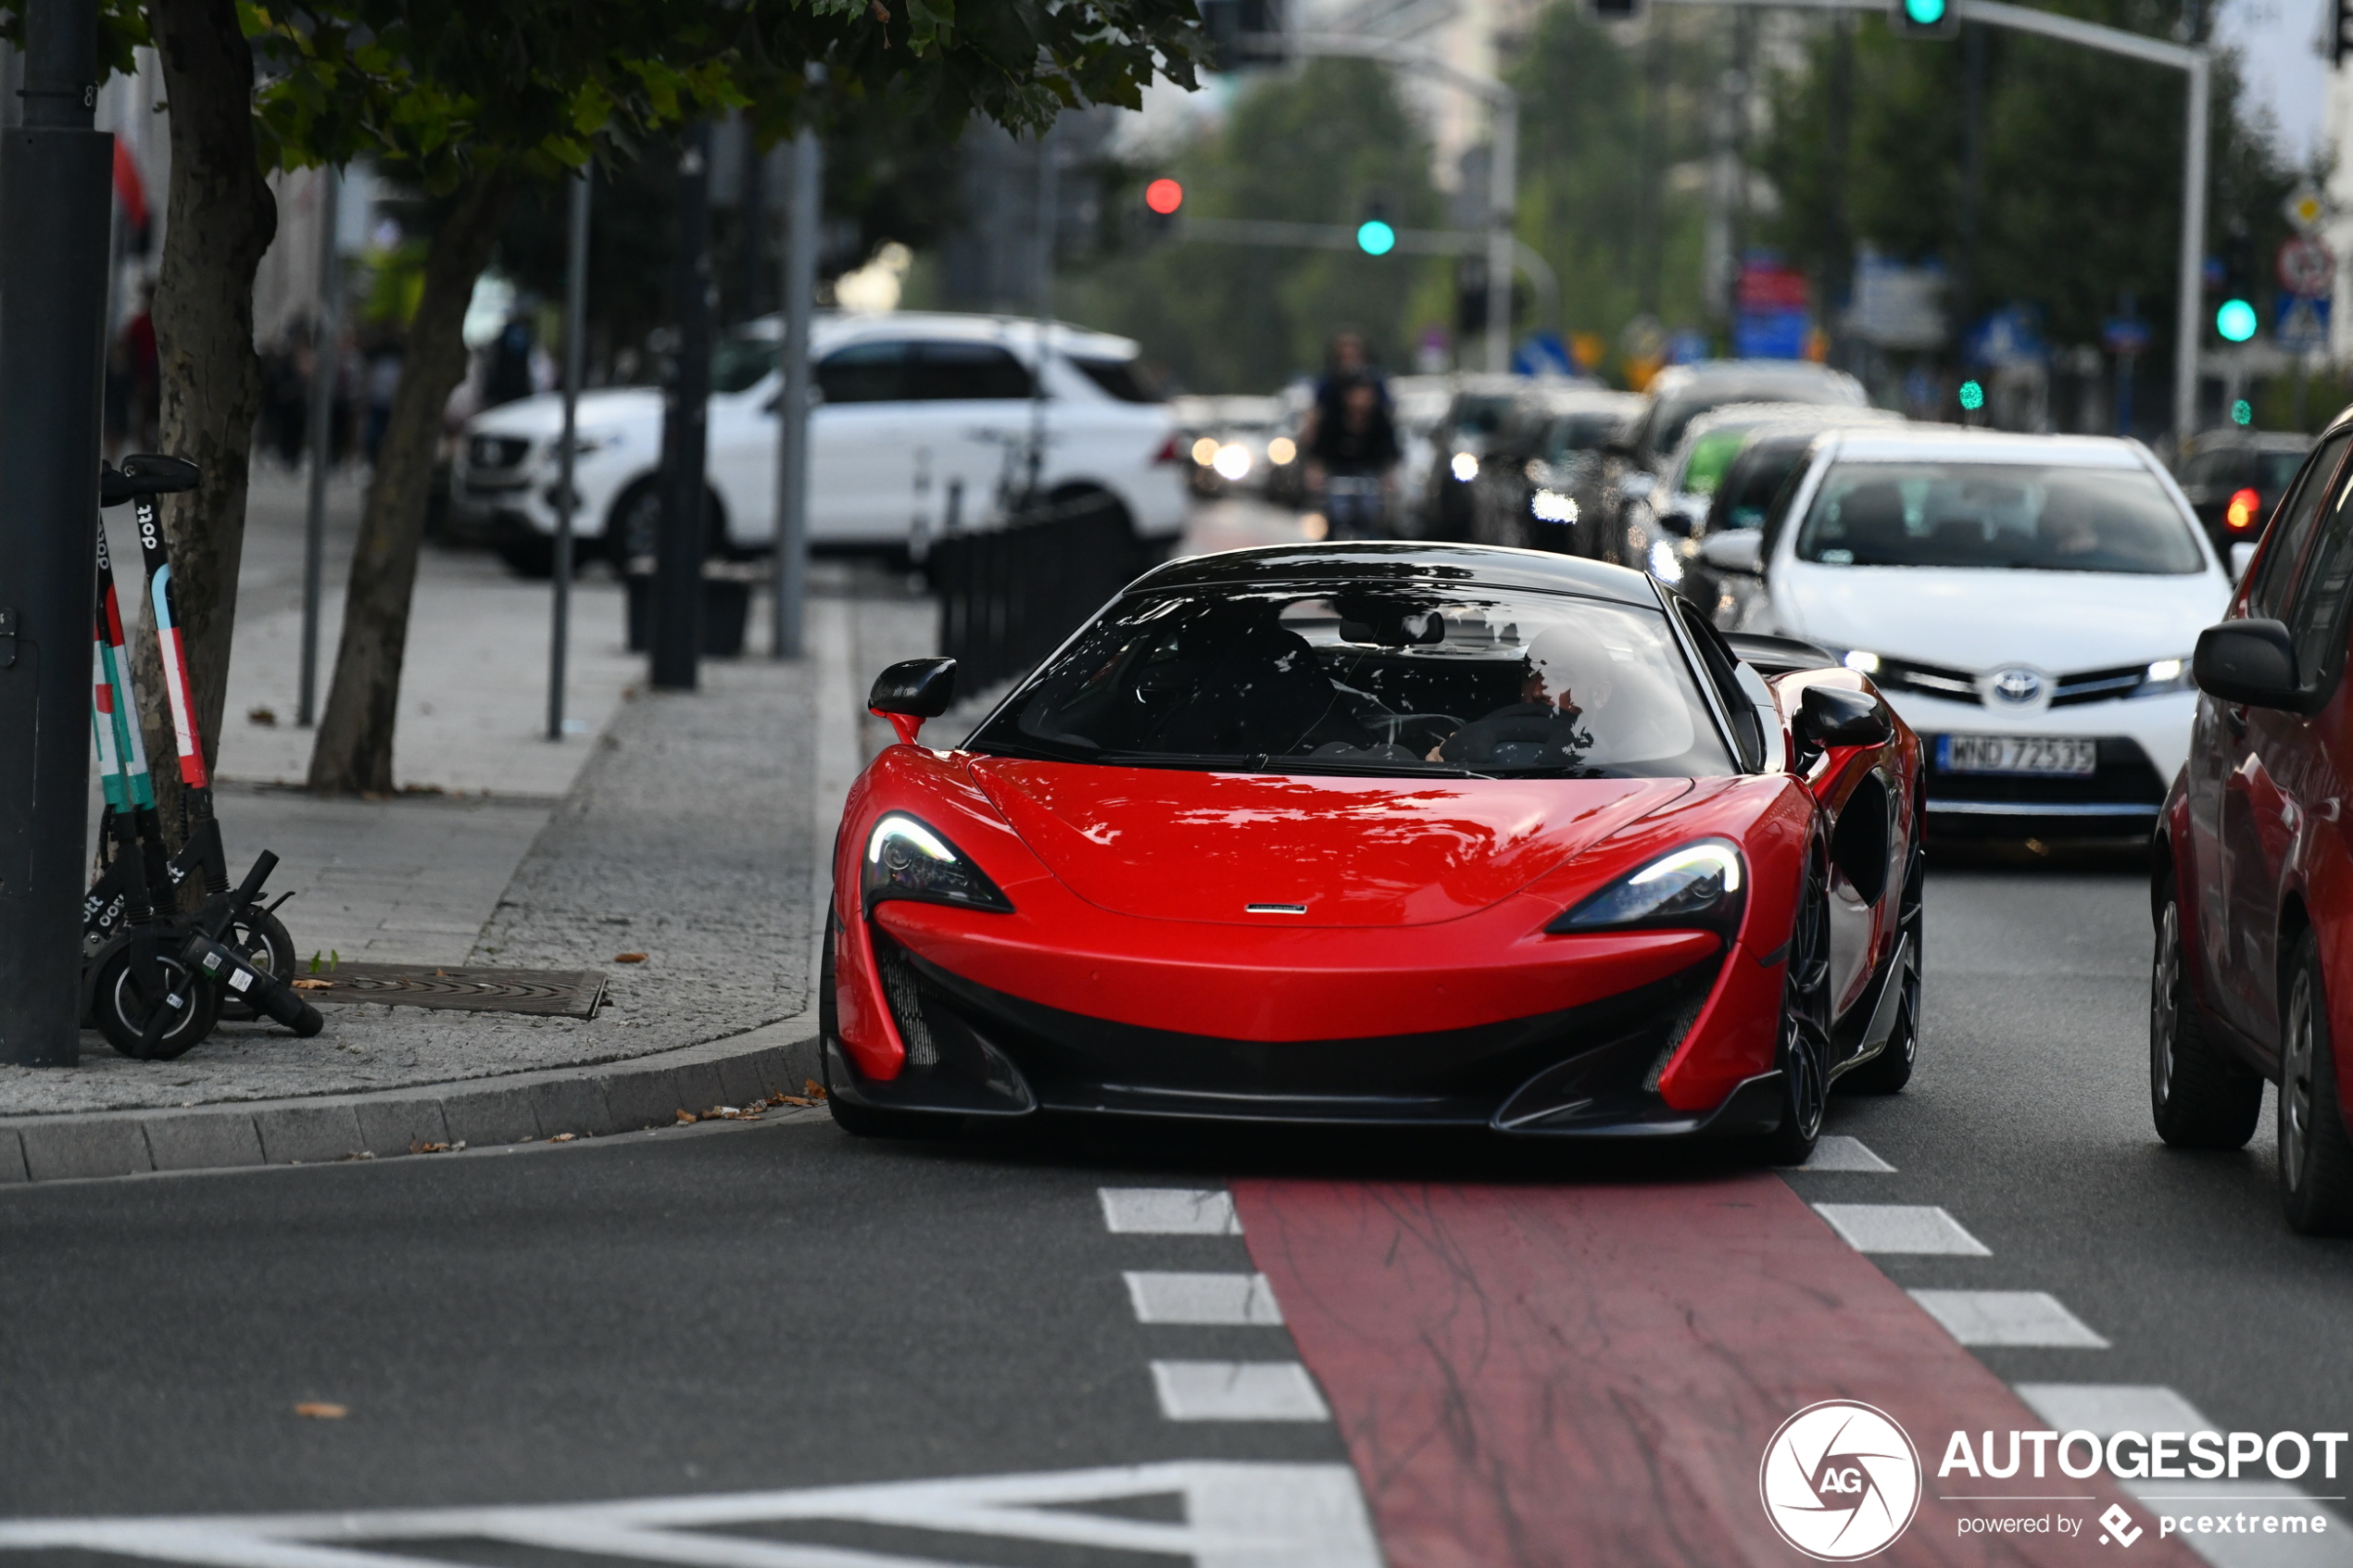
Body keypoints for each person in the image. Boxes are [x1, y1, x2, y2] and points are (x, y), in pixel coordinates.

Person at [1307, 373, 1401, 540]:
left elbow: (1390, 453)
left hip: (1369, 477)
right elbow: (1319, 451)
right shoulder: (1333, 420)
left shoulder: (1380, 421)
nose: (1360, 399)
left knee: (1371, 516)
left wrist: (1388, 478)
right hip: (1338, 476)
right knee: (1335, 513)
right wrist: (1317, 475)